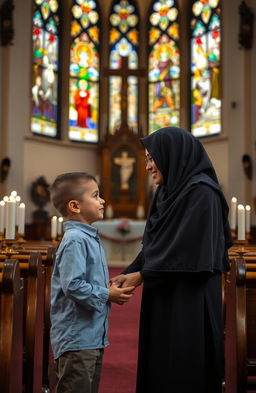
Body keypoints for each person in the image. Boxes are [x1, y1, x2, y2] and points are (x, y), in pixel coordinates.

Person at [111, 127, 233, 393]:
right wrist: (132, 270)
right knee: (160, 360)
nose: (148, 166)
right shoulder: (167, 191)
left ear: (172, 155)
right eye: (145, 159)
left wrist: (143, 275)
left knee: (185, 365)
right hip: (163, 289)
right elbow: (157, 243)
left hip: (191, 298)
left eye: (151, 158)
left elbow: (190, 250)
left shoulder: (203, 192)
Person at [50, 172, 134, 393]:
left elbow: (85, 281)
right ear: (75, 206)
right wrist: (108, 294)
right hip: (77, 338)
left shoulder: (87, 236)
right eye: (96, 195)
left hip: (90, 336)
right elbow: (73, 286)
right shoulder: (76, 240)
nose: (102, 200)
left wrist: (108, 288)